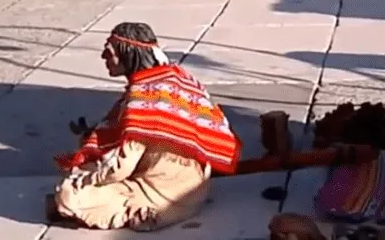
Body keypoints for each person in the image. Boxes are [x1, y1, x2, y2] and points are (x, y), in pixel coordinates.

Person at [51, 22, 242, 231]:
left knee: (68, 195)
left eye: (109, 52)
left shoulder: (144, 99)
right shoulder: (177, 77)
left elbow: (119, 169)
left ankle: (144, 214)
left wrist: (83, 178)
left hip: (161, 196)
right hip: (195, 190)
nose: (103, 57)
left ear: (128, 54)